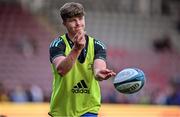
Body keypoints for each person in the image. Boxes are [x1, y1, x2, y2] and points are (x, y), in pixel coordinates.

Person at [48, 2, 116, 117]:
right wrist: (76, 49)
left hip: (88, 108)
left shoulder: (97, 45)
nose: (78, 23)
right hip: (62, 110)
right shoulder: (57, 45)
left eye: (80, 18)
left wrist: (100, 73)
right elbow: (61, 70)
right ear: (64, 23)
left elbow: (98, 71)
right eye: (72, 20)